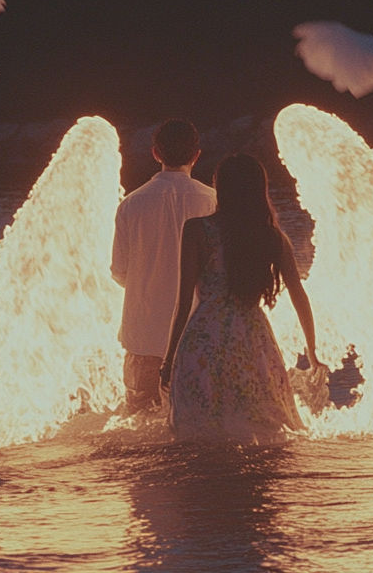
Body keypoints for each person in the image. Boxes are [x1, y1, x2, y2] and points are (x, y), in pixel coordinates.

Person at [160, 153, 324, 444]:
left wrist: (169, 358)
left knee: (201, 436)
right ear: (259, 190)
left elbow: (183, 301)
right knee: (260, 431)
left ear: (219, 187)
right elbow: (299, 296)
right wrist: (312, 353)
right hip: (253, 341)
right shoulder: (273, 237)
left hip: (204, 340)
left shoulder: (198, 230)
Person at [111, 118, 217, 414]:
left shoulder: (131, 204)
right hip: (199, 335)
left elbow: (120, 271)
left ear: (155, 153)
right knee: (198, 423)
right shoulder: (213, 201)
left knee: (140, 425)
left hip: (143, 335)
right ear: (197, 155)